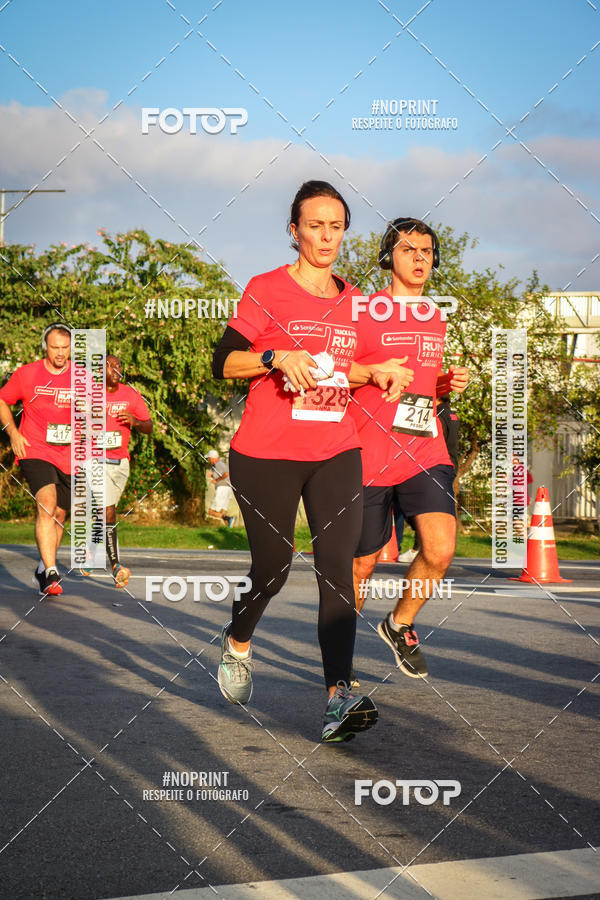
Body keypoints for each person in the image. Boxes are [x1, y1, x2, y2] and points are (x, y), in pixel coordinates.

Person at [211, 180, 409, 742]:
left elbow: (358, 368)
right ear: (294, 230)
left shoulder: (359, 303)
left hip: (335, 450)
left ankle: (337, 698)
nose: (326, 236)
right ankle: (238, 642)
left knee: (337, 571)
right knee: (271, 569)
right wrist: (276, 355)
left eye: (336, 225)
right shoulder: (267, 289)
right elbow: (224, 362)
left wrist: (385, 374)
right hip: (266, 452)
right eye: (315, 225)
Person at [351, 218, 469, 678]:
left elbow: (426, 389)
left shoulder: (436, 317)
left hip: (423, 447)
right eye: (408, 250)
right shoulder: (363, 311)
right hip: (368, 452)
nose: (420, 258)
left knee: (440, 548)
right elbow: (342, 372)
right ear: (388, 259)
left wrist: (444, 384)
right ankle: (340, 661)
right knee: (360, 565)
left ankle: (399, 623)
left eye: (426, 251)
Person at [0, 323, 72, 596]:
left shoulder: (81, 377)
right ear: (45, 347)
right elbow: (2, 400)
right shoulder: (27, 374)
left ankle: (44, 568)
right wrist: (13, 433)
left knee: (60, 514)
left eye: (65, 348)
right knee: (47, 503)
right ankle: (53, 571)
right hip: (35, 450)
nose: (60, 353)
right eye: (55, 348)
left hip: (69, 454)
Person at [80, 355, 152, 587]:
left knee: (106, 511)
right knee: (107, 509)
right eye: (109, 366)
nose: (115, 369)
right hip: (95, 461)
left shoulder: (131, 395)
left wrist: (134, 421)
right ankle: (116, 566)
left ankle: (91, 551)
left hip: (120, 463)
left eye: (118, 365)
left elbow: (149, 426)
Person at [206, 449, 234, 526]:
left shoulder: (219, 464)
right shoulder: (219, 465)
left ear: (213, 458)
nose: (209, 460)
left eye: (209, 458)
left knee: (210, 511)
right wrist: (212, 476)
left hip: (222, 489)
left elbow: (226, 474)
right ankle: (228, 527)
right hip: (227, 488)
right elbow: (222, 474)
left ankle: (229, 518)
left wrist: (217, 480)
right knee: (223, 510)